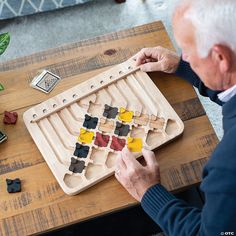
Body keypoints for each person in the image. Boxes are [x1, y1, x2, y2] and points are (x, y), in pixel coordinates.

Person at [115, 0, 236, 235]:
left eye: (187, 51)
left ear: (221, 58)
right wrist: (184, 68)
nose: (185, 56)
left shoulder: (227, 168)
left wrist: (148, 191)